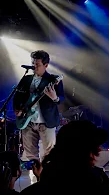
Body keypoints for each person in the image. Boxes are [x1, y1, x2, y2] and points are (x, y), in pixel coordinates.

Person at [19, 120, 109, 195]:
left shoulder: (32, 192)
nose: (99, 149)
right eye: (96, 147)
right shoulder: (103, 186)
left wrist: (40, 179)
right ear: (89, 152)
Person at [12, 50, 65, 184]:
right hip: (28, 122)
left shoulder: (53, 79)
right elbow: (17, 96)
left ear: (46, 65)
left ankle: (48, 183)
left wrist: (55, 98)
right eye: (32, 63)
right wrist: (17, 109)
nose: (34, 66)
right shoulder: (26, 79)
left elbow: (61, 98)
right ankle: (34, 183)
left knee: (48, 155)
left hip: (46, 122)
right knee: (31, 155)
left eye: (37, 64)